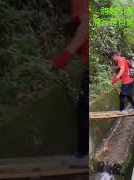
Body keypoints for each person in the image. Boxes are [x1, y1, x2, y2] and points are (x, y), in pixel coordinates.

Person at [50, 0, 88, 166]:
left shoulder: (86, 19)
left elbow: (74, 45)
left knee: (83, 112)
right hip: (88, 73)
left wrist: (57, 62)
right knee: (82, 110)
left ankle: (83, 156)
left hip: (89, 76)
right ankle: (82, 154)